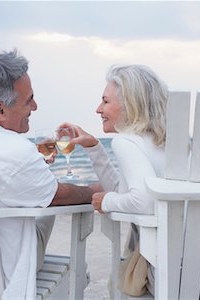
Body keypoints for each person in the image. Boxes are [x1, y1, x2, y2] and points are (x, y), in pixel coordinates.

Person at [0, 50, 93, 299]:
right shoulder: (16, 152)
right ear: (0, 111)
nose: (35, 107)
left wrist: (34, 163)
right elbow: (58, 196)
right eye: (29, 100)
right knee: (46, 198)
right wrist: (95, 190)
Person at [61, 64, 168, 296]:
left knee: (118, 282)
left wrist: (105, 202)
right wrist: (94, 147)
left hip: (164, 273)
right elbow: (124, 190)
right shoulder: (163, 141)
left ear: (130, 104)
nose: (98, 109)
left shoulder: (126, 142)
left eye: (105, 101)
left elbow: (143, 201)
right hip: (197, 266)